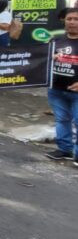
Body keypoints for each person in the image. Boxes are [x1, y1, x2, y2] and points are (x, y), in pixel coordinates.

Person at [45, 8, 78, 164]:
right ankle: (64, 149)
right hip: (56, 90)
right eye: (69, 19)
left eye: (76, 19)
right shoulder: (55, 41)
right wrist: (50, 57)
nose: (72, 22)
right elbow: (41, 61)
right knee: (62, 120)